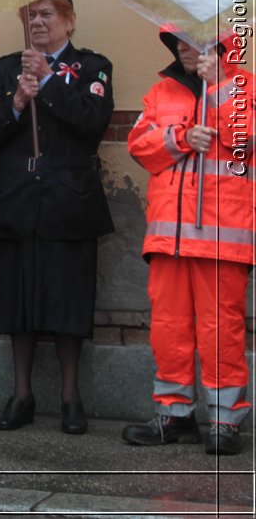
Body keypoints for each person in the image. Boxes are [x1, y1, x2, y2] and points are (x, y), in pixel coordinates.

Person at [0, 0, 114, 435]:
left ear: (69, 21)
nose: (38, 22)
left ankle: (71, 397)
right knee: (18, 299)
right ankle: (22, 394)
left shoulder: (92, 66)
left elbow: (92, 122)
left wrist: (50, 81)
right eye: (31, 15)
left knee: (68, 299)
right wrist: (16, 101)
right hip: (17, 198)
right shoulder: (4, 69)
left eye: (48, 14)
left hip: (67, 199)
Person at [123, 28, 251, 455]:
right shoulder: (161, 91)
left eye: (191, 37)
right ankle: (174, 415)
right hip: (169, 236)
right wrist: (179, 139)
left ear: (218, 43)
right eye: (176, 38)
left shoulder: (243, 86)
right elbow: (139, 144)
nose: (181, 44)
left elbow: (243, 141)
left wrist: (214, 89)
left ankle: (224, 421)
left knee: (221, 330)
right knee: (168, 328)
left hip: (221, 234)